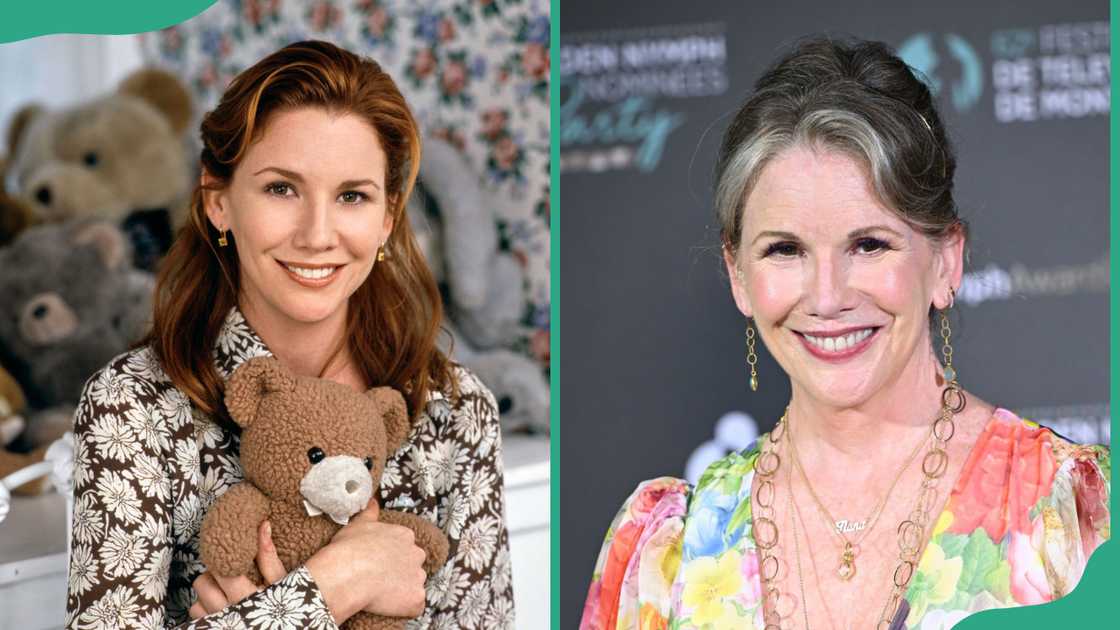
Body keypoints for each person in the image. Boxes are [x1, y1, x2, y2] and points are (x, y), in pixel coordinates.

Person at [580, 37, 1109, 630]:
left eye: (869, 244)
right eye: (785, 250)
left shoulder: (1073, 515)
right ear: (738, 277)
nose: (828, 296)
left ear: (945, 262)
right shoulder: (668, 551)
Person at [65, 40, 514, 629]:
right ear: (218, 200)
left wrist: (256, 615)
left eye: (352, 196)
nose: (317, 234)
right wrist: (338, 583)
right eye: (282, 188)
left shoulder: (455, 411)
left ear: (387, 219)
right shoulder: (131, 408)